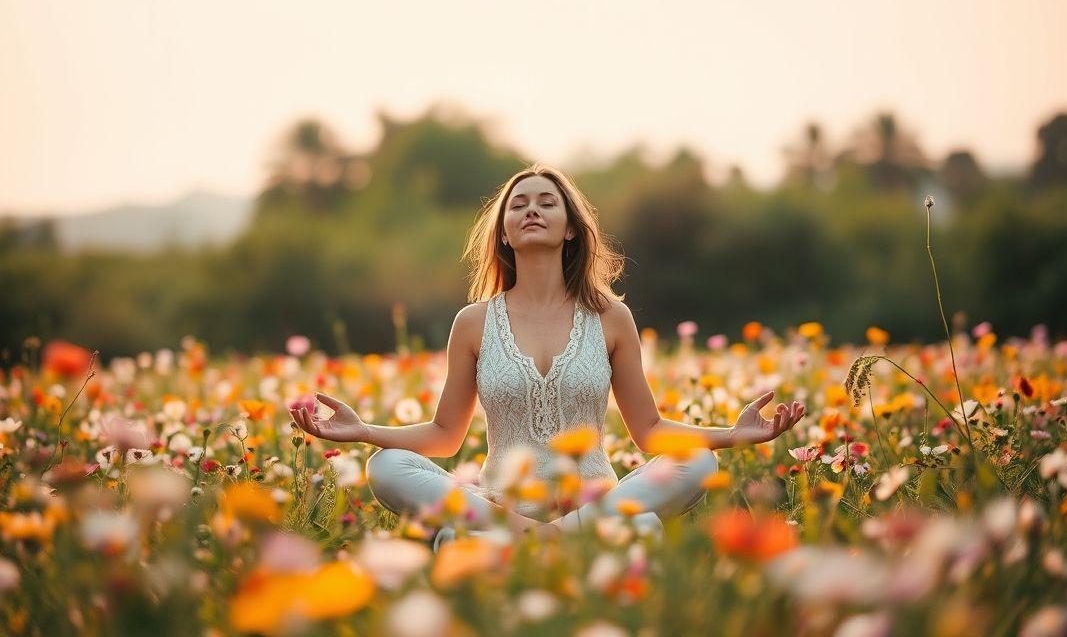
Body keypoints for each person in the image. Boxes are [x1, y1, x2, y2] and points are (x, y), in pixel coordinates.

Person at [290, 163, 806, 544]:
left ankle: (515, 545)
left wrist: (733, 436)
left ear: (572, 227)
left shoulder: (610, 317)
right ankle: (574, 541)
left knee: (692, 463)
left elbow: (649, 432)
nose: (530, 209)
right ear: (505, 234)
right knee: (386, 468)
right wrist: (362, 432)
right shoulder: (472, 323)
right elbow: (445, 437)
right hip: (498, 503)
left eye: (546, 202)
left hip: (594, 499)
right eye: (518, 204)